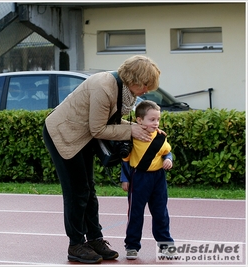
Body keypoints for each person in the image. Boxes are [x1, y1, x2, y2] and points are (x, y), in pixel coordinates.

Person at [42, 55, 161, 264]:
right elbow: (98, 129)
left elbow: (108, 121)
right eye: (146, 85)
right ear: (134, 80)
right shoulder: (104, 87)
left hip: (83, 135)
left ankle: (95, 239)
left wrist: (137, 127)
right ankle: (76, 245)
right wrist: (131, 130)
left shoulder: (122, 90)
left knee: (89, 190)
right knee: (77, 192)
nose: (147, 91)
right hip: (63, 134)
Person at [120, 100, 175, 260]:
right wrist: (125, 179)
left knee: (161, 212)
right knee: (135, 213)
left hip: (158, 178)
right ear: (139, 120)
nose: (156, 123)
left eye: (157, 119)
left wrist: (168, 159)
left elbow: (167, 152)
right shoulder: (133, 137)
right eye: (152, 120)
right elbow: (125, 160)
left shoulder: (160, 136)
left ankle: (165, 245)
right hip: (139, 178)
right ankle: (132, 246)